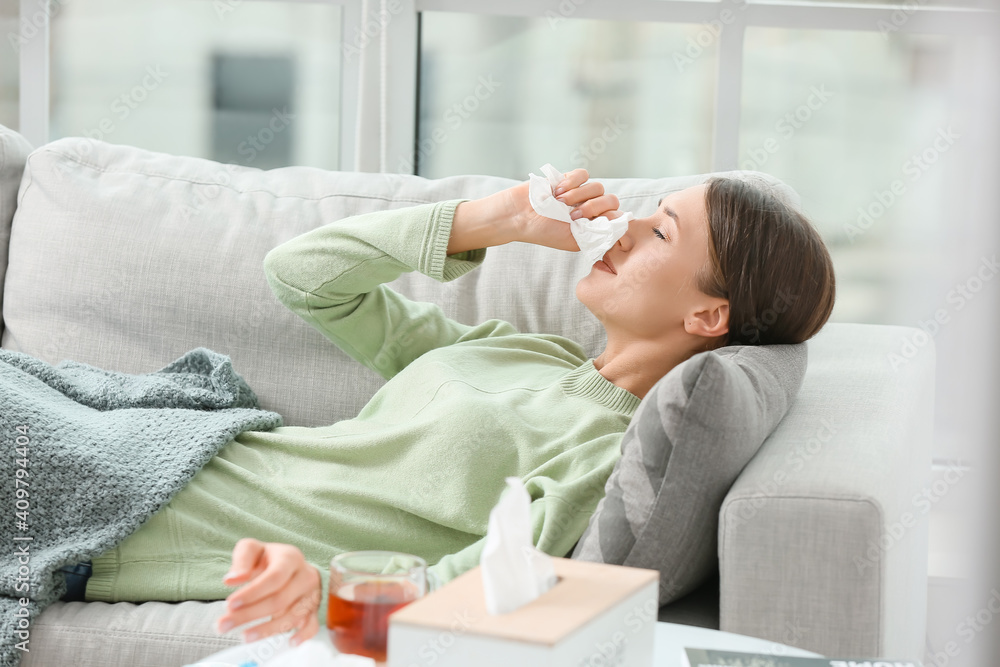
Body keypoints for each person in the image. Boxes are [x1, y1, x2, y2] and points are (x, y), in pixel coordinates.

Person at [76, 168, 835, 649]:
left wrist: (319, 593)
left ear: (708, 316)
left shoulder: (597, 455)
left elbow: (458, 594)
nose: (624, 225)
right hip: (155, 439)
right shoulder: (525, 351)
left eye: (660, 230)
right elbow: (303, 277)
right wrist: (497, 218)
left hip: (139, 507)